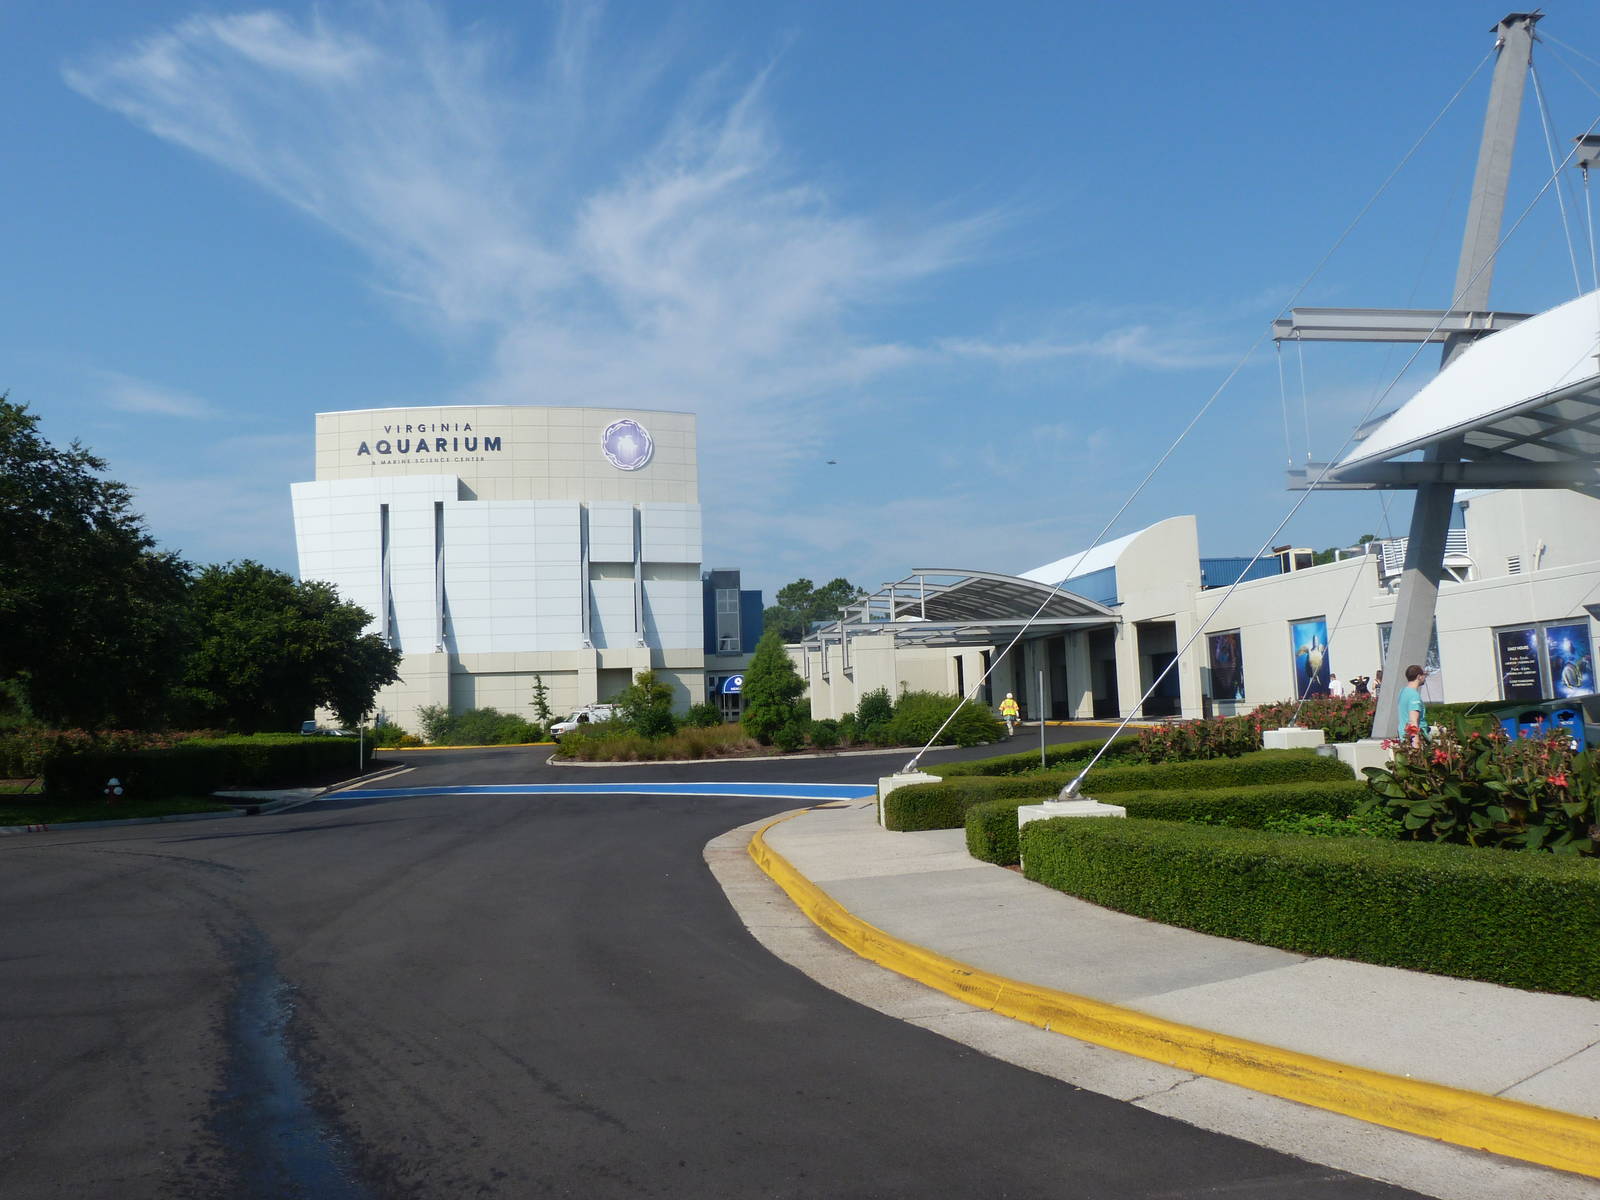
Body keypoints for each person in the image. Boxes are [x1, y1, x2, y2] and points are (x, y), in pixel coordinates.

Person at [1396, 664, 1427, 748]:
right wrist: (1416, 744)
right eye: (1424, 675)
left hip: (1404, 735)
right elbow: (1413, 721)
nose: (1425, 677)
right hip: (1412, 738)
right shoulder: (1414, 696)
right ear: (1419, 677)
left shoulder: (1403, 691)